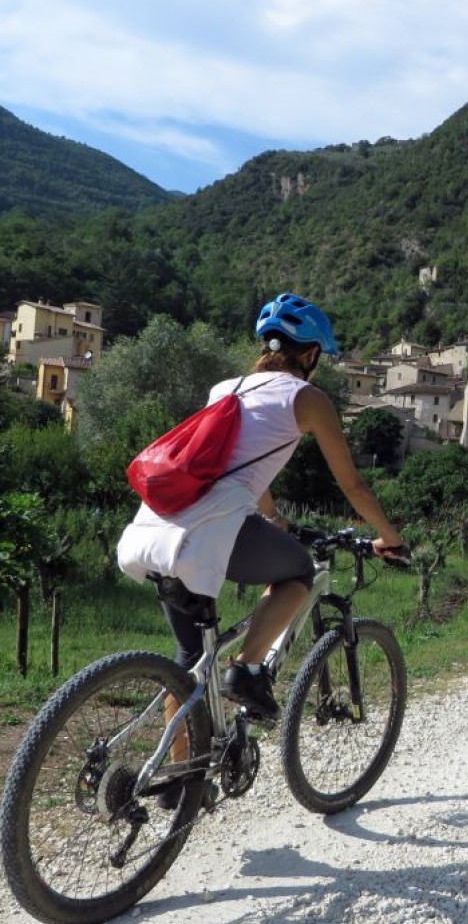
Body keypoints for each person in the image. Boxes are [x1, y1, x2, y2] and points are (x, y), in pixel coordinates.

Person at [117, 292, 405, 724]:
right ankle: (248, 672)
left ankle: (175, 790)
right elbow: (354, 485)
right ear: (310, 354)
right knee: (299, 573)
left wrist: (271, 518)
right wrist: (390, 536)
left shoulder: (225, 388)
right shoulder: (308, 399)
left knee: (188, 664)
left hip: (155, 525)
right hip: (211, 529)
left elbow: (236, 467)